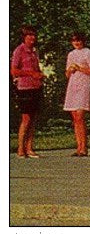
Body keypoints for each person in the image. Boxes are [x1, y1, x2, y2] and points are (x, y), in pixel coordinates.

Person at [10, 25, 45, 158]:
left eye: (34, 35)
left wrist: (39, 74)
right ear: (24, 37)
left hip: (36, 86)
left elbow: (36, 69)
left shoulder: (35, 51)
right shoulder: (19, 50)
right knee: (26, 118)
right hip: (24, 87)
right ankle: (20, 148)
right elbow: (14, 70)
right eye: (29, 35)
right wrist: (31, 73)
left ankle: (29, 147)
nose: (32, 38)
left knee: (34, 118)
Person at [63, 31, 90, 157]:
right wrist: (70, 70)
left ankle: (84, 147)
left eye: (78, 40)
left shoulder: (88, 52)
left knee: (80, 115)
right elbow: (67, 74)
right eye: (74, 41)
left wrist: (80, 68)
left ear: (83, 41)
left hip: (83, 85)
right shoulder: (71, 54)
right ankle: (78, 147)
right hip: (73, 86)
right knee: (74, 117)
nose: (76, 43)